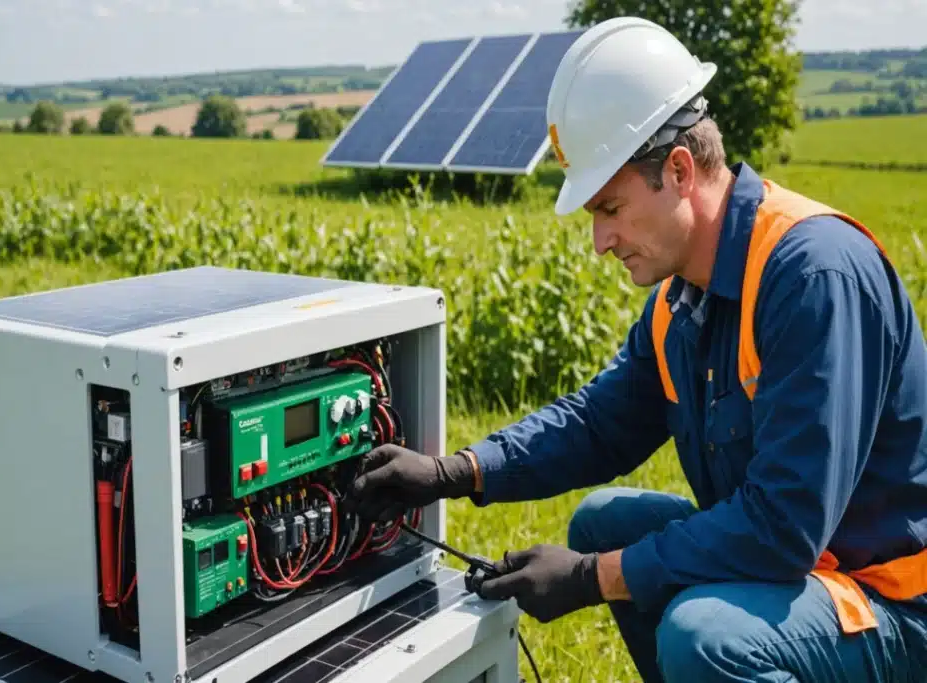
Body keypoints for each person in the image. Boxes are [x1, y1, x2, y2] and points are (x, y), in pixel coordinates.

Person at [347, 16, 927, 683]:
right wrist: (457, 471)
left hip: (890, 603)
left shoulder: (811, 274)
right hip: (807, 579)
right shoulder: (683, 300)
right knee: (604, 520)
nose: (600, 239)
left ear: (679, 170)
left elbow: (782, 526)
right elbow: (599, 423)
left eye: (610, 207)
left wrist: (595, 578)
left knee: (703, 639)